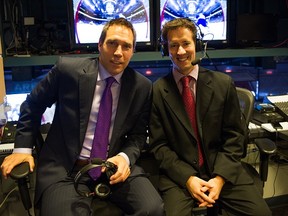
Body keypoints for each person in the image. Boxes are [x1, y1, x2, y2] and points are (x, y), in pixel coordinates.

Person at [1, 18, 164, 216]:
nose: (118, 52)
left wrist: (124, 158)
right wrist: (22, 148)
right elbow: (32, 105)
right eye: (112, 43)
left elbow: (138, 136)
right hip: (66, 169)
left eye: (126, 46)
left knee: (152, 208)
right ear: (100, 45)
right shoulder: (67, 71)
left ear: (132, 51)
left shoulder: (142, 87)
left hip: (111, 168)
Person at [149, 18, 271, 216]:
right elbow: (159, 146)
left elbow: (235, 136)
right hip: (180, 176)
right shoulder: (157, 90)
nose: (180, 51)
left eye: (186, 43)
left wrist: (220, 178)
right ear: (166, 50)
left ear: (196, 45)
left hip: (222, 170)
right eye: (173, 45)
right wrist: (188, 178)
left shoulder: (223, 84)